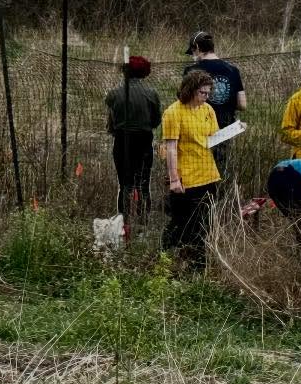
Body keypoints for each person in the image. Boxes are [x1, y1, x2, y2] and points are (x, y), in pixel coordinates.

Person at [161, 70, 225, 266]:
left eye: (208, 93)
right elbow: (170, 148)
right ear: (190, 90)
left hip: (208, 173)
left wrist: (233, 131)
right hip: (186, 177)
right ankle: (165, 259)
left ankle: (197, 265)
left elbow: (213, 138)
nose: (206, 97)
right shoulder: (174, 112)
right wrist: (174, 178)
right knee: (181, 222)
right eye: (202, 93)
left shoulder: (208, 110)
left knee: (203, 224)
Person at [104, 55, 162, 227]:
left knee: (125, 185)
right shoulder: (151, 94)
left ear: (125, 72)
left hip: (122, 142)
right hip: (144, 142)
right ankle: (143, 225)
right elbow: (156, 121)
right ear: (144, 73)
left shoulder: (114, 94)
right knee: (143, 184)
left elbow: (111, 122)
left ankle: (124, 224)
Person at [183, 32, 246, 181]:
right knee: (221, 168)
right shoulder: (232, 70)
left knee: (198, 171)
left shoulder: (191, 71)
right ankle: (220, 199)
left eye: (192, 51)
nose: (193, 55)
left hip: (197, 128)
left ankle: (202, 201)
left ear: (197, 48)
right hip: (225, 128)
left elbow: (184, 101)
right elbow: (242, 104)